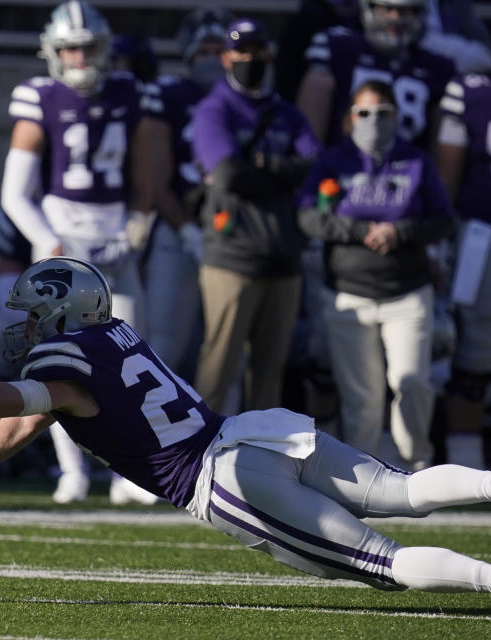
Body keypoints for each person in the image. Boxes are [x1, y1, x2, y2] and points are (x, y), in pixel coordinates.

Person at [0, 255, 491, 594]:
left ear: (62, 311)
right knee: (403, 492)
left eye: (36, 314)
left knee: (386, 562)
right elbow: (28, 420)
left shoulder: (65, 364)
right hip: (254, 432)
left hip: (227, 480)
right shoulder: (115, 334)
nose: (28, 327)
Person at [0, 0, 157, 505]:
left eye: (88, 49)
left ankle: (129, 473)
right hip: (64, 232)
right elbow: (14, 193)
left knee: (131, 359)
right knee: (59, 362)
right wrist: (48, 241)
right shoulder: (39, 96)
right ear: (53, 52)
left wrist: (138, 222)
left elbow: (145, 175)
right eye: (70, 50)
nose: (80, 60)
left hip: (114, 239)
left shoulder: (129, 93)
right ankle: (73, 472)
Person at [297, 79, 454, 470]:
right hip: (349, 292)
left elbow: (443, 220)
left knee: (412, 381)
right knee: (362, 398)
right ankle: (367, 478)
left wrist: (400, 232)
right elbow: (307, 216)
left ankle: (417, 466)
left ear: (397, 116)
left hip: (407, 291)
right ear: (351, 117)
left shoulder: (415, 160)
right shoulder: (333, 161)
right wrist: (358, 231)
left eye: (383, 113)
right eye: (364, 113)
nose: (373, 121)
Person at [190, 19, 321, 414]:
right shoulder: (215, 109)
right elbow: (229, 175)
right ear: (228, 58)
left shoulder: (284, 111)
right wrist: (283, 173)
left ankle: (262, 463)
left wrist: (264, 167)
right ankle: (193, 458)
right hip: (233, 257)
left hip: (283, 258)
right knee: (219, 367)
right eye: (242, 52)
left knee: (269, 376)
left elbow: (315, 166)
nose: (250, 60)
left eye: (257, 52)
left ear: (269, 55)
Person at [140, 8, 230, 383]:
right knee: (163, 346)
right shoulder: (169, 94)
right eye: (203, 51)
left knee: (228, 353)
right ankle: (155, 439)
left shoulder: (249, 101)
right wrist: (186, 229)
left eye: (217, 50)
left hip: (233, 237)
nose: (211, 60)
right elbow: (155, 179)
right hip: (179, 233)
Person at [295, 0, 455, 149]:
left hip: (407, 171)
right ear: (368, 7)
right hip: (343, 168)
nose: (395, 18)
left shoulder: (435, 67)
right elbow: (309, 139)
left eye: (405, 11)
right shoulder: (339, 49)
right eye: (386, 9)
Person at [435, 72, 491, 466]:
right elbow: (447, 174)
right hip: (481, 237)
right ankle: (467, 470)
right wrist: (438, 241)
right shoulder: (473, 93)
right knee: (474, 354)